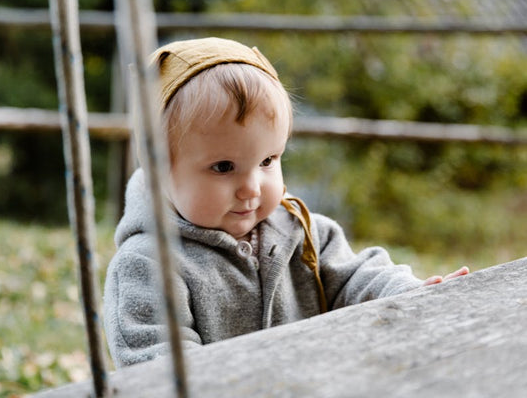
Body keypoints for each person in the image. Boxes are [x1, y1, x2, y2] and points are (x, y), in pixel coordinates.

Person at [103, 37, 469, 368]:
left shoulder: (302, 230)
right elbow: (157, 368)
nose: (251, 188)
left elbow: (355, 278)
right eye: (223, 167)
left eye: (267, 161)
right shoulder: (147, 264)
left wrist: (408, 293)